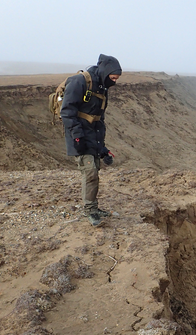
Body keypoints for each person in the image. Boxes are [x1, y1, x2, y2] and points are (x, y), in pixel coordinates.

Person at [61, 54, 122, 226]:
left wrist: (102, 148)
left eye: (116, 79)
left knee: (95, 171)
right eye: (113, 77)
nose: (114, 81)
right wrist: (77, 136)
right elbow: (67, 112)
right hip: (78, 136)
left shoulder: (102, 88)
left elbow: (98, 120)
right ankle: (89, 211)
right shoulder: (80, 82)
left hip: (92, 137)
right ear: (106, 71)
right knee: (90, 173)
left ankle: (94, 208)